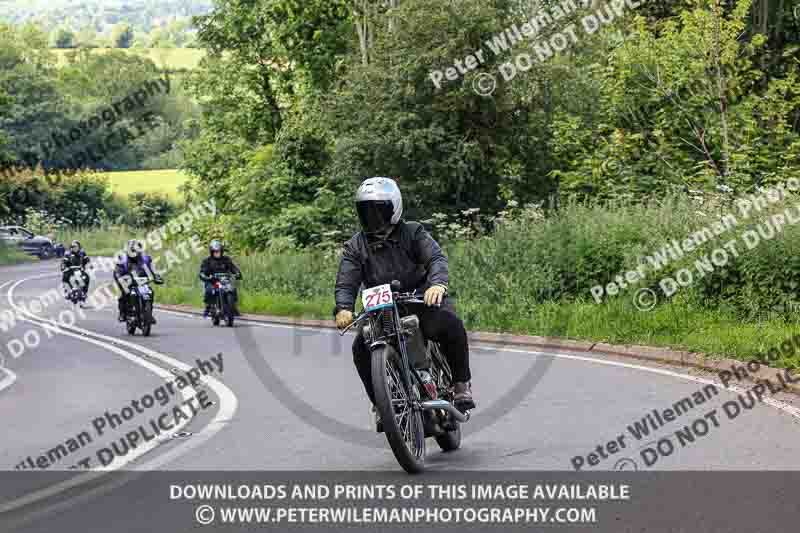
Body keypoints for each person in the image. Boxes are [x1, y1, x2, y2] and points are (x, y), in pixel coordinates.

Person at [334, 177, 475, 430]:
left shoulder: (413, 231)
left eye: (378, 209)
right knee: (360, 347)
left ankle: (461, 385)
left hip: (420, 299)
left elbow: (435, 258)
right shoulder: (356, 245)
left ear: (394, 208)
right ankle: (381, 405)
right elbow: (347, 281)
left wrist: (437, 285)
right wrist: (343, 307)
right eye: (366, 210)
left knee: (450, 324)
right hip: (381, 310)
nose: (373, 216)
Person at [114, 239, 163, 322]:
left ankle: (149, 314)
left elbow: (153, 270)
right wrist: (120, 278)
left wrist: (157, 277)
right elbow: (117, 271)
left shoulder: (146, 259)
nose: (134, 252)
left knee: (150, 291)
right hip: (127, 280)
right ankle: (123, 313)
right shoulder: (122, 259)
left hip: (141, 280)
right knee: (123, 293)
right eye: (132, 250)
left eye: (136, 250)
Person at [198, 240, 243, 318]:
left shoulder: (226, 259)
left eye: (218, 251)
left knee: (233, 289)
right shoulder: (207, 261)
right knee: (209, 290)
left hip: (225, 280)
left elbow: (233, 268)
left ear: (221, 251)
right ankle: (208, 306)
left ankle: (233, 306)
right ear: (211, 252)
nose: (217, 253)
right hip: (212, 281)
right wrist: (206, 277)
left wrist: (237, 273)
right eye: (215, 251)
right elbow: (202, 272)